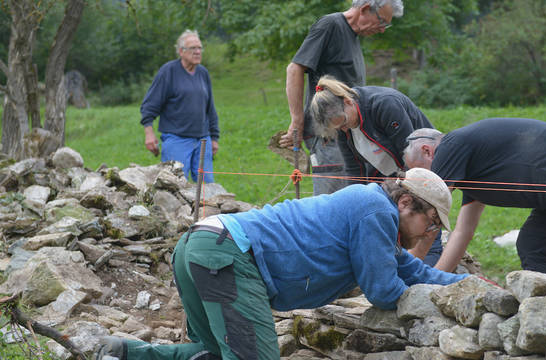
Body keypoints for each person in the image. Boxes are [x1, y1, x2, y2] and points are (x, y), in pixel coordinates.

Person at [95, 168, 468, 360]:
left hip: (201, 244)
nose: (428, 234)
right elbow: (385, 290)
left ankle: (122, 353)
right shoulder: (376, 213)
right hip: (227, 256)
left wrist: (465, 287)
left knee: (212, 354)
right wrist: (420, 302)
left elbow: (410, 269)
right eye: (432, 222)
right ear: (406, 203)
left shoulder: (370, 211)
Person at [403, 118, 546, 282]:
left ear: (427, 151)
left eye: (419, 172)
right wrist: (436, 280)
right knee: (533, 246)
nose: (423, 181)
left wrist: (412, 274)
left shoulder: (450, 147)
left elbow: (426, 220)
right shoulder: (471, 167)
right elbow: (463, 232)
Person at [309, 75, 444, 266]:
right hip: (393, 173)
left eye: (344, 123)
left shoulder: (384, 104)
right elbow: (353, 170)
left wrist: (400, 193)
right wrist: (355, 204)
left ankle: (431, 269)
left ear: (348, 102)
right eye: (339, 128)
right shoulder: (344, 127)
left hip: (421, 166)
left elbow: (409, 154)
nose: (344, 129)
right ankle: (396, 265)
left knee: (422, 219)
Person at [279, 0, 404, 195]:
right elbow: (295, 68)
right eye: (381, 21)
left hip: (350, 135)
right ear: (364, 9)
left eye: (386, 25)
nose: (382, 30)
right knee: (333, 201)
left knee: (354, 195)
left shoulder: (353, 36)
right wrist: (297, 121)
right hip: (328, 135)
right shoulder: (330, 26)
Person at [140, 29, 219, 183]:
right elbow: (150, 104)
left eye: (199, 48)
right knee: (175, 185)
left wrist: (214, 137)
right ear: (181, 51)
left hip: (203, 140)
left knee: (207, 189)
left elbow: (210, 108)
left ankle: (203, 209)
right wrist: (149, 133)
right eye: (193, 48)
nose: (197, 52)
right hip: (177, 140)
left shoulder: (203, 73)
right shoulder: (168, 71)